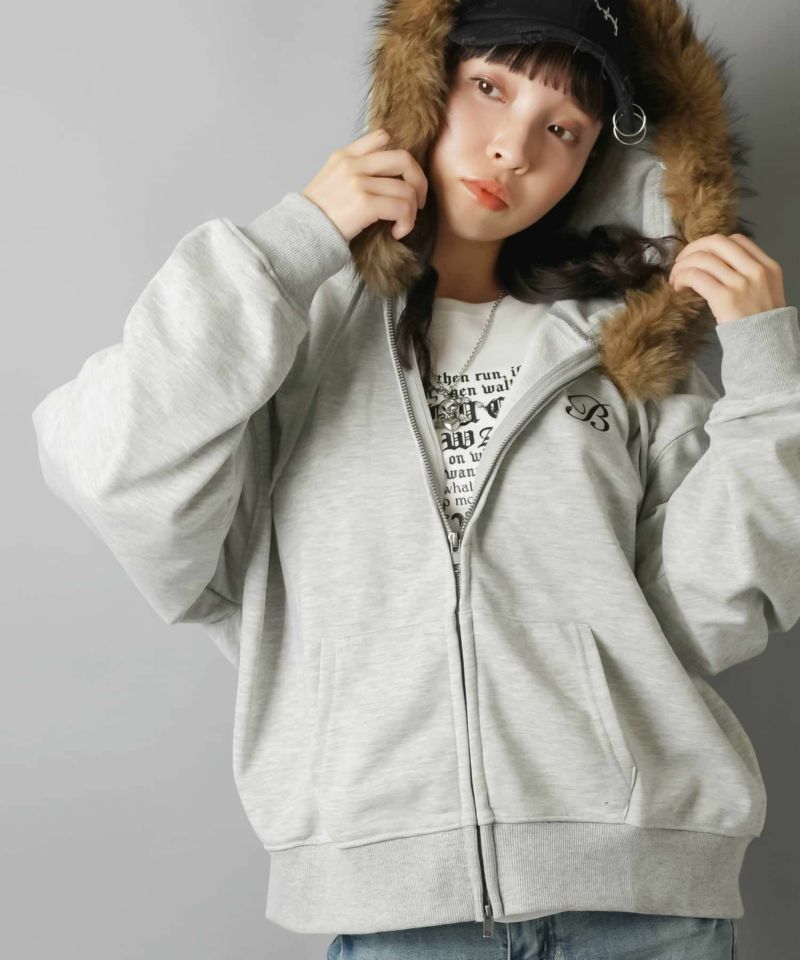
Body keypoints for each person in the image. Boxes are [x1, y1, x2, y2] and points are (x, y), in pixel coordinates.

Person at [31, 0, 797, 957]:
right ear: (423, 83)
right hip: (399, 914)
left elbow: (710, 610)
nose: (514, 148)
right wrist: (296, 240)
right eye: (489, 88)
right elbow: (113, 465)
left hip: (645, 908)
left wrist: (771, 380)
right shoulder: (289, 330)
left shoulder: (626, 355)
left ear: (594, 161)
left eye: (562, 128)